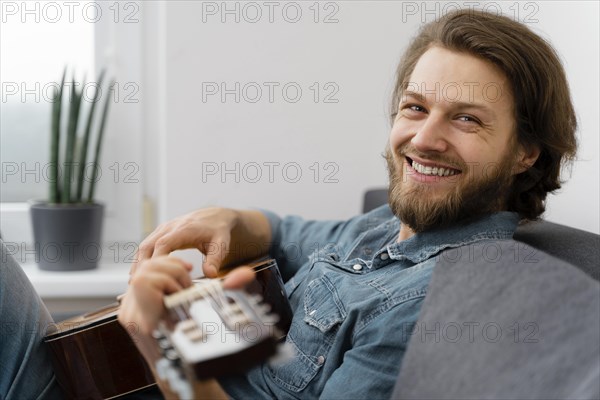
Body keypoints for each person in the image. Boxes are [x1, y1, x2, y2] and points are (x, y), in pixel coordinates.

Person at [118, 8, 577, 400]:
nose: (423, 139)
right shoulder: (390, 226)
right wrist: (230, 219)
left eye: (466, 118)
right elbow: (284, 233)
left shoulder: (438, 304)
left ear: (526, 152)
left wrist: (167, 358)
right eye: (415, 107)